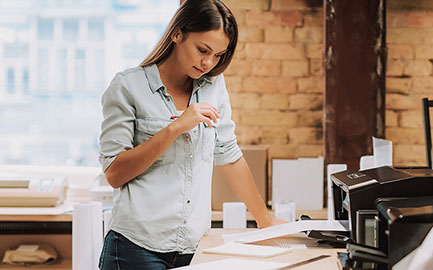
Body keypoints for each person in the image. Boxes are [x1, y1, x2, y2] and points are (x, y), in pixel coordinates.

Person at [98, 0, 285, 269]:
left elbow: (228, 155)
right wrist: (175, 127)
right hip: (135, 247)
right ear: (177, 33)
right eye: (202, 49)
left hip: (194, 247)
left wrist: (265, 221)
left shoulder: (213, 86)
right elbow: (115, 173)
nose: (208, 62)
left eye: (218, 55)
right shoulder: (128, 86)